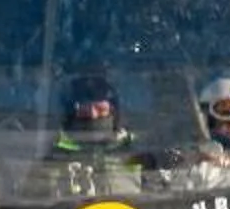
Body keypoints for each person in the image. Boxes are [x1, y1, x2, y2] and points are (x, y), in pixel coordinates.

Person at [28, 70, 144, 200]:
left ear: (113, 112)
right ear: (71, 115)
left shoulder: (134, 151)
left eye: (100, 110)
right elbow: (31, 199)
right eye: (84, 111)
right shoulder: (54, 157)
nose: (93, 116)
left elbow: (159, 194)